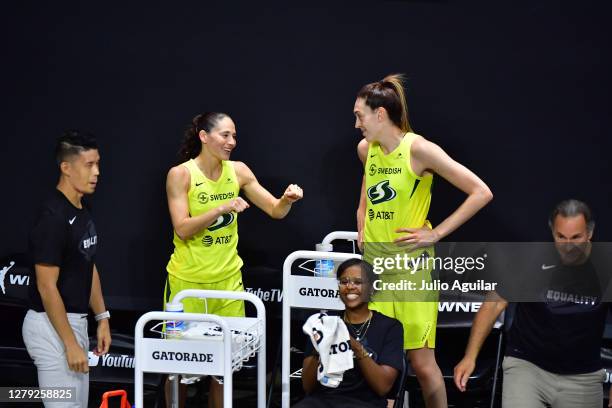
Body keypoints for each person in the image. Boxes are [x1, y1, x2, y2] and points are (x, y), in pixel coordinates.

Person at [354, 74, 493, 408]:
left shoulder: (419, 149)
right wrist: (363, 233)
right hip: (377, 272)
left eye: (360, 115)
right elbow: (365, 203)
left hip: (411, 272)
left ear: (380, 115)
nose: (356, 123)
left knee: (421, 363)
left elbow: (481, 192)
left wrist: (436, 233)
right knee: (379, 364)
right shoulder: (366, 150)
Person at [165, 112, 303, 408]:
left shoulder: (238, 171)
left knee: (223, 368)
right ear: (204, 136)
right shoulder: (182, 174)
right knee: (179, 367)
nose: (231, 142)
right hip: (187, 285)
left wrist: (286, 200)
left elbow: (275, 210)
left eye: (234, 136)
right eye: (225, 135)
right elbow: (182, 227)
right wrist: (221, 208)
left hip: (227, 284)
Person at [454, 199, 611, 408]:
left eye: (576, 237)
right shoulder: (532, 258)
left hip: (583, 375)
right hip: (527, 366)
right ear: (552, 232)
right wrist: (469, 357)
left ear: (589, 233)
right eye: (561, 237)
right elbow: (494, 303)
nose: (568, 246)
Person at [22, 130, 111, 407]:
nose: (96, 172)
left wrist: (102, 316)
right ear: (66, 167)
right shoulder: (52, 217)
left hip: (75, 323)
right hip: (50, 326)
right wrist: (70, 344)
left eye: (98, 164)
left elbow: (88, 263)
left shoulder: (83, 209)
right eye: (88, 165)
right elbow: (46, 287)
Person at [296, 258, 404, 408]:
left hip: (365, 403)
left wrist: (355, 347)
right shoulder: (323, 324)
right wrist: (319, 348)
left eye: (358, 282)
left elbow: (383, 387)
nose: (350, 287)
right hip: (322, 401)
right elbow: (307, 386)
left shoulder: (390, 327)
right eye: (344, 281)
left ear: (372, 288)